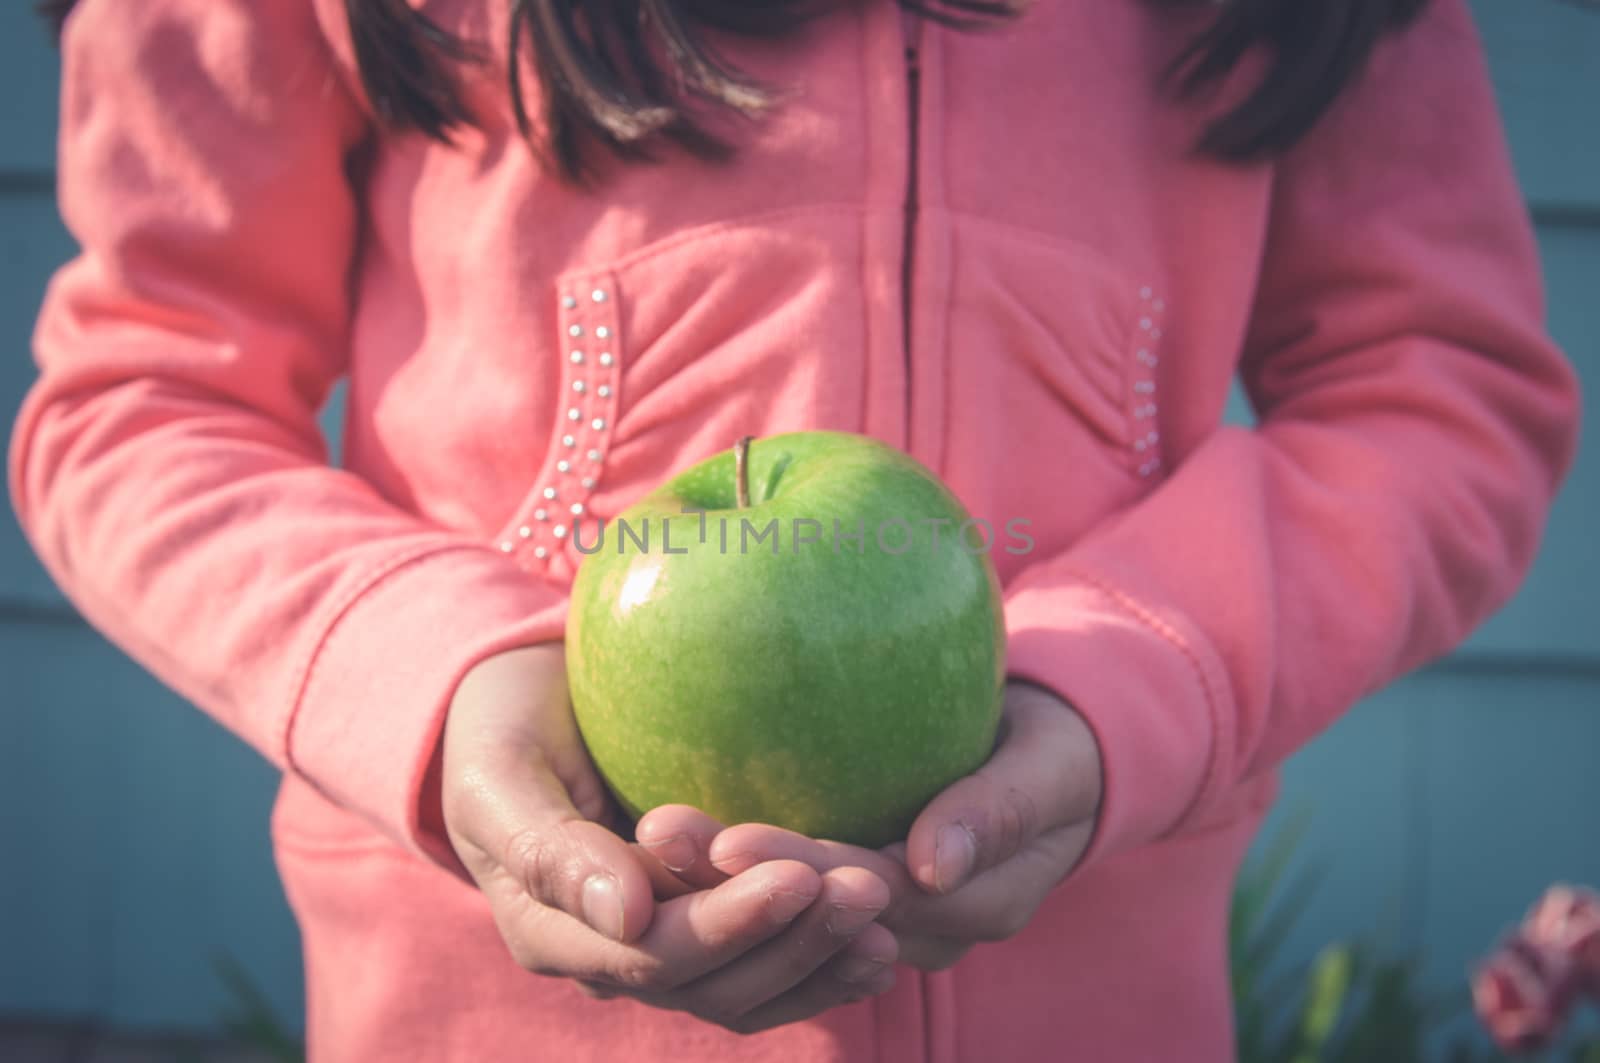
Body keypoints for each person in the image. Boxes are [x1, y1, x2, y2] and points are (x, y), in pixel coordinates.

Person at [9, 0, 1581, 1059]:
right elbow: (144, 399)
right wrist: (436, 680)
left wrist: (1129, 676)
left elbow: (1440, 396)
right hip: (482, 1008)